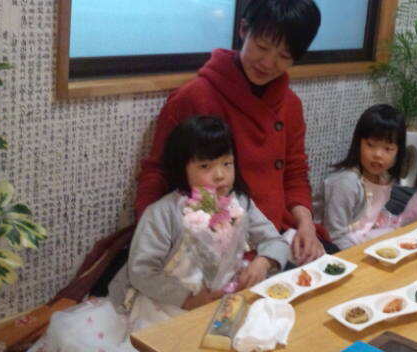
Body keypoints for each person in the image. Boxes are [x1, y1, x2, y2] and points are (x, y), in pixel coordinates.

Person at [30, 116, 289, 352]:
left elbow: (274, 240)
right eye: (205, 166)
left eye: (227, 163)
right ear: (182, 168)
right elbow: (142, 271)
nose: (220, 175)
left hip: (223, 299)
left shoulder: (240, 203)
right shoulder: (163, 213)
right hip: (166, 302)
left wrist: (264, 260)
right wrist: (188, 300)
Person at [135, 0, 330, 265]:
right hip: (211, 238)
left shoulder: (290, 105)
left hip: (276, 232)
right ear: (243, 30)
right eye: (262, 47)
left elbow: (294, 174)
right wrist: (153, 239)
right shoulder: (194, 97)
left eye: (284, 56)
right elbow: (158, 174)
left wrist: (306, 225)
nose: (268, 63)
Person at [312, 104, 407, 250]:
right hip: (327, 246)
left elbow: (372, 213)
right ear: (358, 143)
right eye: (370, 145)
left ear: (398, 152)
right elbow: (333, 236)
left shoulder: (384, 177)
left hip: (360, 238)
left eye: (388, 148)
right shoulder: (346, 183)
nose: (378, 155)